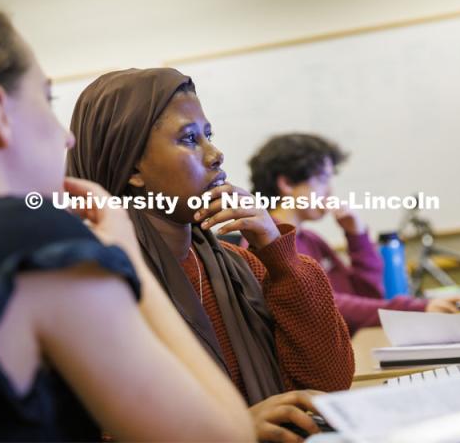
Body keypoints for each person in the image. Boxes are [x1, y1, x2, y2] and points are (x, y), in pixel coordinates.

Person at [0, 5, 254, 442]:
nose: (66, 137)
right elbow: (225, 436)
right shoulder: (37, 243)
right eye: (46, 99)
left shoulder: (232, 258)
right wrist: (124, 257)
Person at [67, 68, 355, 443]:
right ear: (132, 168)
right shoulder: (94, 285)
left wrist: (277, 252)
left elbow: (328, 385)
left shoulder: (238, 264)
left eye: (209, 135)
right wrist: (226, 432)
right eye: (189, 139)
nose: (216, 155)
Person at [248, 133, 460, 335]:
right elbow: (323, 306)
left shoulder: (311, 240)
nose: (330, 191)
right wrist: (417, 309)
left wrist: (357, 236)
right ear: (287, 183)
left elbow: (369, 295)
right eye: (323, 178)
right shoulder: (267, 243)